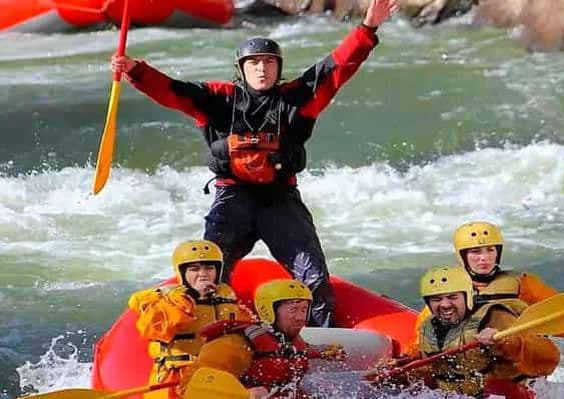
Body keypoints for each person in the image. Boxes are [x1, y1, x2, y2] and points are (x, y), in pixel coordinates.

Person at [110, 0, 400, 327]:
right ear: (242, 69)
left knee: (314, 279)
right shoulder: (220, 99)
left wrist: (368, 28)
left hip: (280, 201)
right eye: (254, 63)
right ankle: (207, 334)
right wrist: (135, 70)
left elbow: (338, 67)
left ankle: (321, 345)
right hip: (232, 199)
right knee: (208, 274)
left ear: (278, 68)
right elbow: (173, 91)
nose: (261, 69)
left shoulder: (297, 98)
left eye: (268, 63)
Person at [409, 221, 564, 354]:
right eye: (476, 252)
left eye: (489, 250)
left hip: (514, 357)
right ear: (463, 256)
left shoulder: (523, 284)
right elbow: (422, 337)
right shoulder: (448, 289)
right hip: (471, 362)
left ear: (497, 252)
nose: (484, 258)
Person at [406, 266, 561, 399]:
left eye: (453, 297)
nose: (445, 305)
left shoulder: (494, 317)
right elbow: (428, 373)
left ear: (467, 297)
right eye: (436, 299)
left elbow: (549, 358)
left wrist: (505, 342)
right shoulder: (428, 327)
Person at [128, 240, 255, 399]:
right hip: (176, 380)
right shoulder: (169, 299)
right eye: (194, 269)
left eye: (209, 268)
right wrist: (191, 296)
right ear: (182, 273)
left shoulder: (228, 298)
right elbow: (153, 329)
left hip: (217, 378)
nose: (203, 274)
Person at [180, 279, 345, 399]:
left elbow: (289, 353)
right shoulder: (236, 343)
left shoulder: (286, 339)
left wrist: (322, 352)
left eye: (304, 309)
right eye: (293, 309)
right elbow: (192, 385)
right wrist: (243, 395)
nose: (300, 317)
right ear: (268, 310)